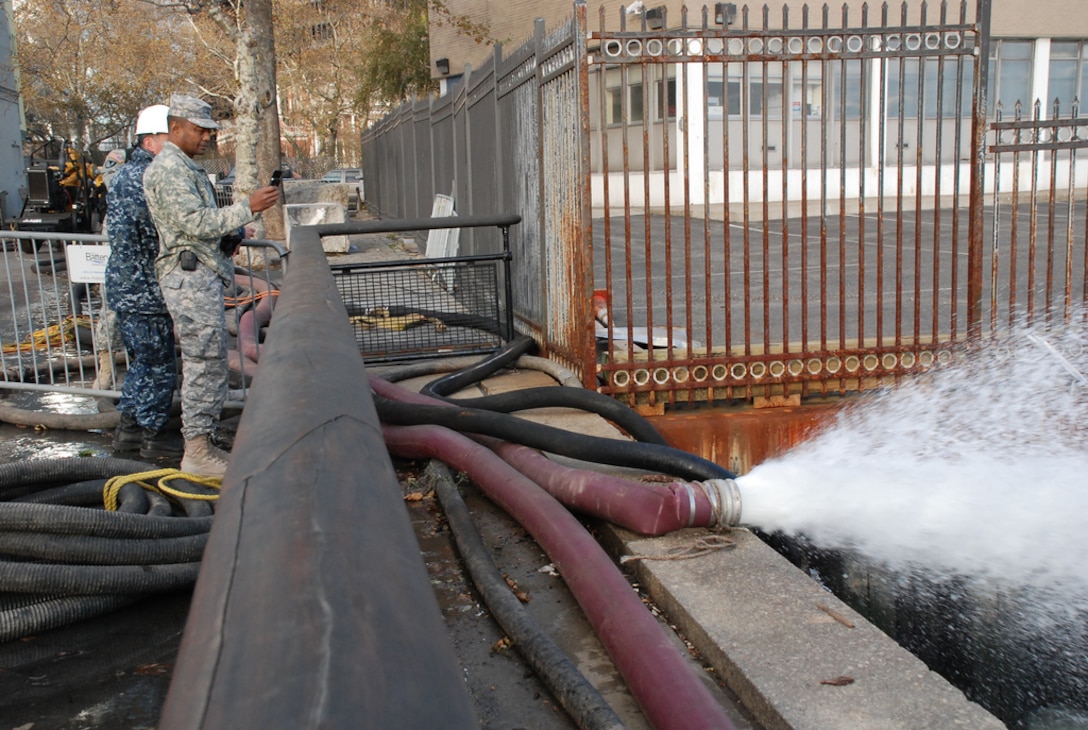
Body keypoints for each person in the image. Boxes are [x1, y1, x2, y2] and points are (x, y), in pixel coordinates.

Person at [143, 93, 280, 478]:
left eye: (210, 131)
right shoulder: (169, 169)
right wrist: (246, 207)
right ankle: (197, 453)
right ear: (175, 128)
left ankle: (202, 442)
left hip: (199, 276)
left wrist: (230, 235)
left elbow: (198, 229)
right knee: (203, 364)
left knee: (211, 361)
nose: (207, 137)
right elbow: (194, 223)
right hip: (188, 281)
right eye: (200, 130)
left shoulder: (184, 167)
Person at [106, 104, 181, 459]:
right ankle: (154, 434)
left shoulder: (124, 175)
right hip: (146, 288)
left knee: (141, 362)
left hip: (126, 287)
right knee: (158, 363)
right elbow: (167, 230)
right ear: (151, 141)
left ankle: (129, 430)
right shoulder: (149, 178)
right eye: (171, 138)